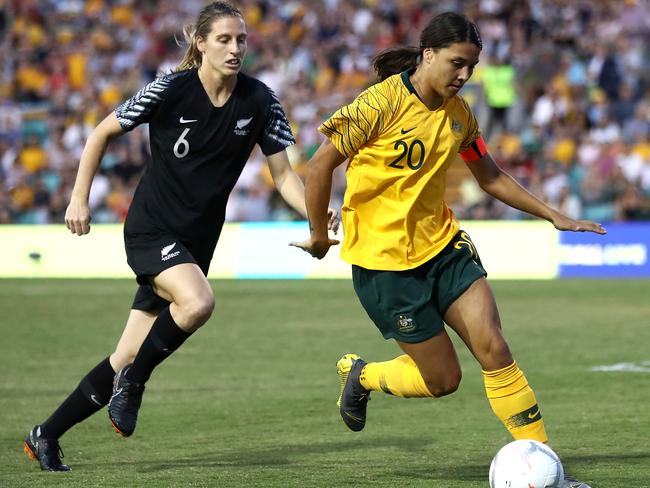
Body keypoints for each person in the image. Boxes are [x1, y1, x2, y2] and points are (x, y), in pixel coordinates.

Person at [291, 12, 604, 488]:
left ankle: (550, 472)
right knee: (443, 381)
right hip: (385, 265)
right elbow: (318, 168)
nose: (464, 75)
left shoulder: (460, 116)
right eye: (457, 63)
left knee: (495, 348)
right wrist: (318, 233)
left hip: (444, 246)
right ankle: (362, 375)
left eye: (472, 67)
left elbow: (491, 176)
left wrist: (553, 214)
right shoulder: (377, 105)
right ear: (428, 54)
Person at [23, 1, 338, 472]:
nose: (235, 49)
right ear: (201, 43)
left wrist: (315, 214)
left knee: (125, 353)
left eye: (242, 40)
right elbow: (100, 134)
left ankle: (45, 435)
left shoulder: (260, 100)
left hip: (196, 243)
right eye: (224, 40)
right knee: (197, 304)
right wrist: (78, 198)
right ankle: (136, 382)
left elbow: (285, 177)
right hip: (152, 229)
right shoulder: (171, 88)